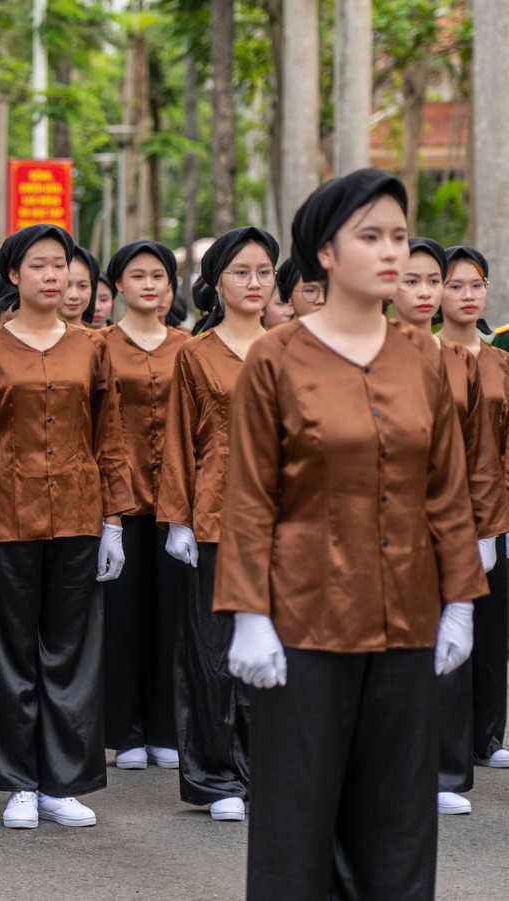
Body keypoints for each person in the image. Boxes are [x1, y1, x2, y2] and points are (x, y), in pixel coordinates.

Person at [217, 169, 485, 899]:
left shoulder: (425, 357)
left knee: (398, 815)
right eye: (371, 236)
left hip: (407, 618)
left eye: (399, 234)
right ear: (325, 253)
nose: (391, 250)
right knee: (296, 811)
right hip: (302, 621)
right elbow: (249, 494)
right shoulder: (275, 358)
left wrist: (460, 599)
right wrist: (249, 614)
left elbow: (445, 487)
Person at [0, 223, 130, 830]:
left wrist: (114, 521)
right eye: (39, 266)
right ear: (14, 275)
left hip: (80, 512)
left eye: (61, 265)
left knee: (71, 651)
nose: (52, 276)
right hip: (6, 513)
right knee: (9, 652)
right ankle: (18, 780)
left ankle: (62, 780)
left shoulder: (92, 346)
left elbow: (110, 435)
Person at [155, 227, 277, 823]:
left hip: (287, 519)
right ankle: (216, 777)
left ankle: (273, 770)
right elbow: (177, 440)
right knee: (212, 651)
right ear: (217, 283)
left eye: (263, 271)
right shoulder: (195, 354)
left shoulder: (294, 347)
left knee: (281, 648)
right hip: (214, 515)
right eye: (240, 273)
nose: (254, 283)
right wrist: (176, 518)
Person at [98, 240, 192, 773]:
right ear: (118, 285)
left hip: (177, 501)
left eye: (159, 275)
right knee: (122, 616)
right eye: (138, 276)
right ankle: (123, 729)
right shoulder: (97, 345)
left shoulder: (190, 346)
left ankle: (165, 727)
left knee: (172, 617)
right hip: (118, 500)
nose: (150, 285)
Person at [429, 244, 509, 813]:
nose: (467, 295)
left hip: (495, 505)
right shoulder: (423, 353)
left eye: (475, 285)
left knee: (491, 622)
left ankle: (488, 735)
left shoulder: (501, 362)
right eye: (456, 285)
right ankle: (444, 753)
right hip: (440, 509)